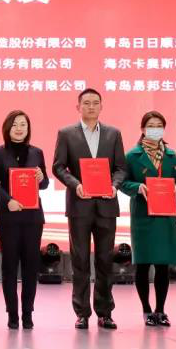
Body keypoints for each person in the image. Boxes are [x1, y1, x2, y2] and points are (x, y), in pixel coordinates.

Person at [51, 88, 127, 330]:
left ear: (101, 106)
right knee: (80, 261)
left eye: (95, 103)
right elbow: (58, 167)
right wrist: (76, 185)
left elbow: (121, 168)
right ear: (78, 107)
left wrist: (114, 186)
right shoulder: (66, 133)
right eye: (86, 103)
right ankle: (82, 312)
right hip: (79, 205)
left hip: (106, 205)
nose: (91, 106)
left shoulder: (113, 134)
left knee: (105, 261)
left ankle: (105, 312)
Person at [120, 111, 176, 327]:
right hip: (143, 215)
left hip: (165, 216)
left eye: (159, 125)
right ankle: (146, 310)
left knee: (162, 265)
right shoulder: (132, 155)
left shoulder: (171, 155)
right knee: (143, 264)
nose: (155, 129)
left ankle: (161, 310)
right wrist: (137, 187)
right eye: (151, 125)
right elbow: (122, 182)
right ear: (142, 129)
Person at [0, 110, 49, 330]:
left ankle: (28, 313)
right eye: (15, 125)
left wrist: (42, 178)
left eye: (23, 124)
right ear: (7, 128)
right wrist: (8, 201)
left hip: (33, 218)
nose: (19, 129)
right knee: (9, 266)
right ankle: (12, 314)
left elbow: (44, 185)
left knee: (31, 267)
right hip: (8, 217)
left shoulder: (37, 152)